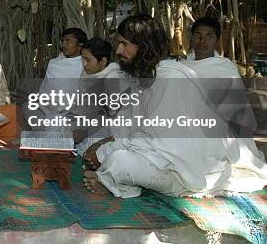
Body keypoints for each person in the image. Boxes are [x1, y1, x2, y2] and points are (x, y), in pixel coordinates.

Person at [82, 14, 267, 198]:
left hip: (188, 167)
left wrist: (108, 150)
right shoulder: (144, 77)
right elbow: (133, 123)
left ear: (144, 46)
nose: (119, 51)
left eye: (125, 44)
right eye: (119, 43)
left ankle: (115, 179)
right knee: (109, 155)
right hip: (164, 154)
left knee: (119, 162)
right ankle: (114, 176)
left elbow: (164, 142)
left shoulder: (170, 79)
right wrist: (106, 143)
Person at [69, 37, 124, 154]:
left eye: (88, 60)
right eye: (82, 59)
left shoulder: (114, 78)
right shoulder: (86, 74)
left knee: (94, 144)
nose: (84, 64)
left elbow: (110, 115)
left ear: (103, 61)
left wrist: (85, 131)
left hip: (109, 127)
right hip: (87, 121)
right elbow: (82, 106)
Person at [37, 28, 87, 119]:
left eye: (68, 41)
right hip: (48, 109)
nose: (63, 44)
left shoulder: (86, 65)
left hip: (75, 113)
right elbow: (45, 90)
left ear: (80, 44)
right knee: (25, 107)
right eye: (62, 41)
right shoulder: (53, 63)